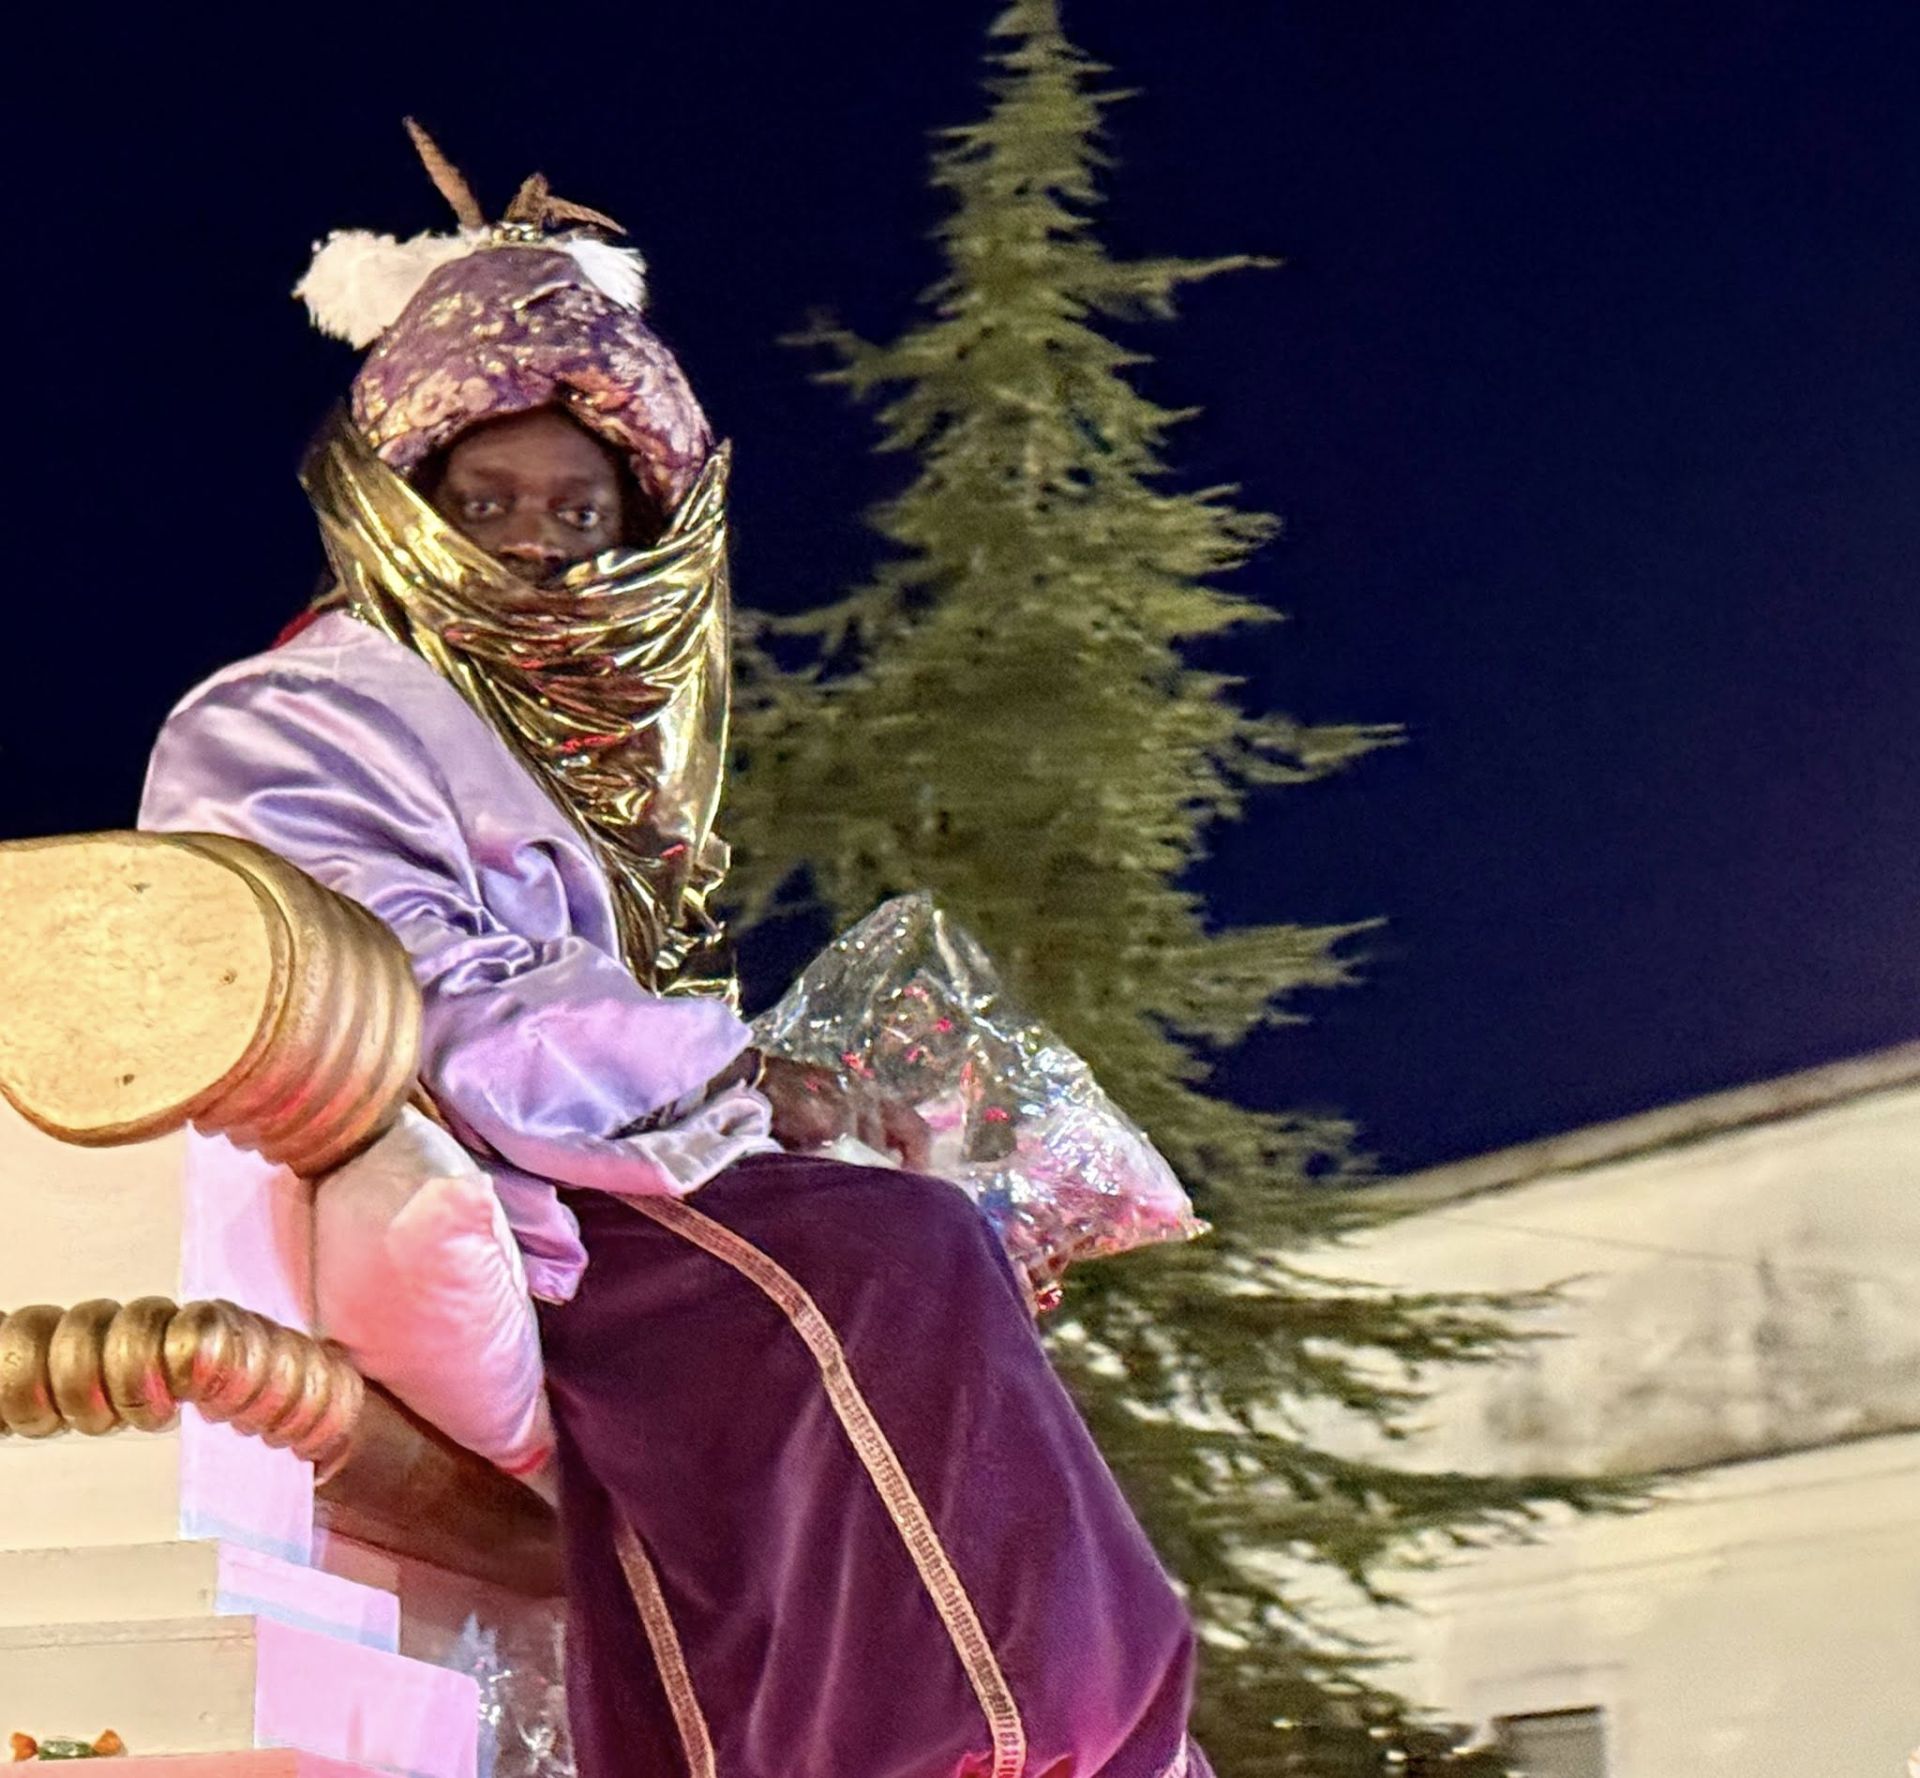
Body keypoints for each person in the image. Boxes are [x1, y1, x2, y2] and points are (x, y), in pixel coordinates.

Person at [140, 128, 1204, 1778]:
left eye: (583, 508)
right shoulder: (296, 711)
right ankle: (1008, 1746)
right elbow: (389, 976)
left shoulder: (584, 763)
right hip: (503, 1176)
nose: (543, 547)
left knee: (922, 1259)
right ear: (399, 506)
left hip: (598, 1169)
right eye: (487, 501)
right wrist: (740, 1073)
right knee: (883, 1262)